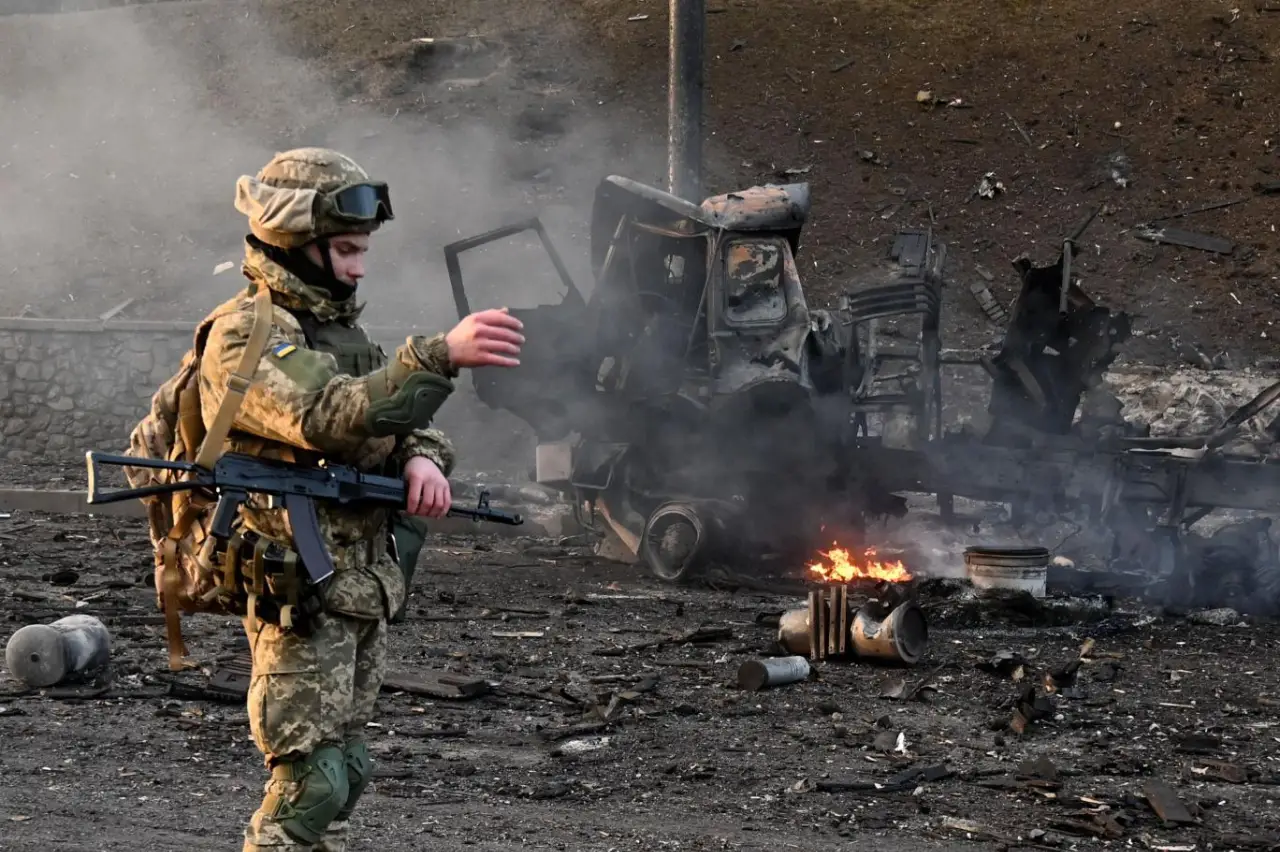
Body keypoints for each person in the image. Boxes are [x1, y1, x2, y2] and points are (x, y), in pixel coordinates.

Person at [200, 147, 524, 852]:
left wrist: (422, 462)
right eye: (346, 248)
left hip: (357, 584)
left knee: (346, 771)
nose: (359, 266)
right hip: (300, 588)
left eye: (364, 249)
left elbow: (407, 425)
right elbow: (322, 415)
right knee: (309, 784)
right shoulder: (247, 333)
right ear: (294, 240)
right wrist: (437, 356)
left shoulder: (340, 335)